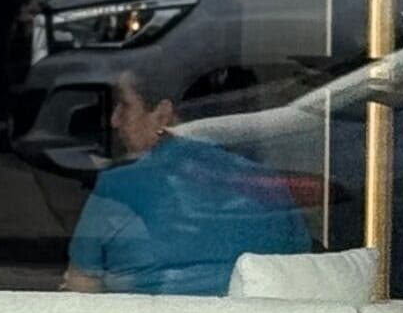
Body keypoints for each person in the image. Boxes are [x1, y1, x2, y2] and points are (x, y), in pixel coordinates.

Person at [64, 73, 311, 296]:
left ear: (162, 114)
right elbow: (296, 272)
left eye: (125, 106)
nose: (114, 120)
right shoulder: (266, 185)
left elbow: (82, 288)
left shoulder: (117, 187)